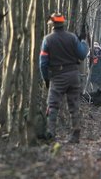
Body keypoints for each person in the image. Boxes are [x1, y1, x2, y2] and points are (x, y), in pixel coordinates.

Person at [39, 13, 88, 143]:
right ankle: (75, 134)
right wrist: (83, 41)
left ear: (52, 25)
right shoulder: (72, 38)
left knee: (53, 105)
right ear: (63, 24)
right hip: (73, 74)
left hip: (57, 76)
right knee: (74, 105)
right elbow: (82, 54)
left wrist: (46, 79)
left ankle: (51, 133)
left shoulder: (47, 40)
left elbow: (43, 63)